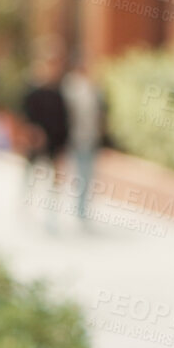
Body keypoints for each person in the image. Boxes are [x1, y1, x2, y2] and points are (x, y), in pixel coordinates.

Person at [18, 47, 70, 225]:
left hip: (54, 144)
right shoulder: (34, 90)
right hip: (36, 142)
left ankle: (51, 216)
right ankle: (26, 208)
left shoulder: (60, 92)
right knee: (31, 175)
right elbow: (25, 116)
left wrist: (63, 145)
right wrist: (32, 133)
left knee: (54, 181)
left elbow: (64, 120)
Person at [59, 54, 105, 228]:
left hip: (90, 138)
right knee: (73, 173)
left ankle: (82, 210)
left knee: (87, 174)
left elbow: (99, 112)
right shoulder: (70, 86)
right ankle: (71, 208)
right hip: (73, 138)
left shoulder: (93, 87)